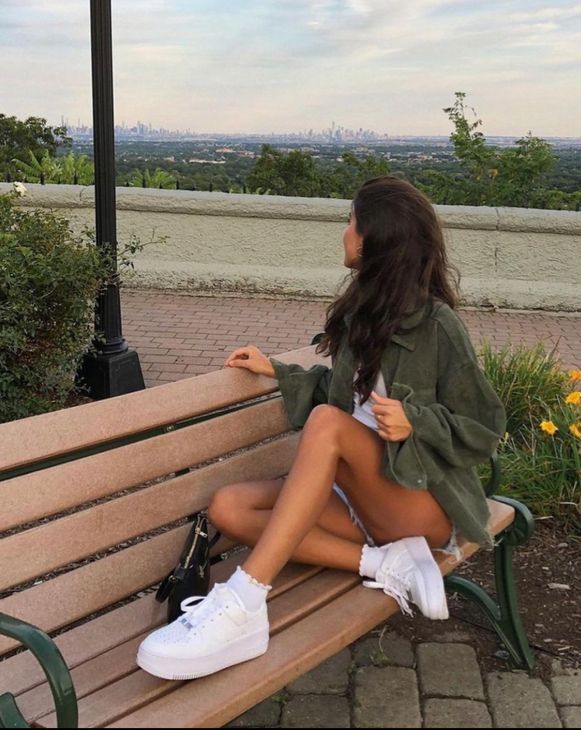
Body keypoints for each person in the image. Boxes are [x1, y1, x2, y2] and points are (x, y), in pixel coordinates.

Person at [137, 176, 505, 681]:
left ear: (377, 238)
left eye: (352, 221)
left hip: (417, 503)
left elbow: (484, 426)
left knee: (327, 425)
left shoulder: (437, 325)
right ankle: (384, 566)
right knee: (229, 507)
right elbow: (341, 393)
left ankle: (245, 602)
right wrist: (276, 371)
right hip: (357, 501)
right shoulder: (363, 314)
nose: (344, 232)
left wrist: (416, 421)